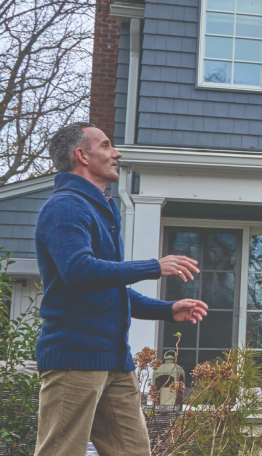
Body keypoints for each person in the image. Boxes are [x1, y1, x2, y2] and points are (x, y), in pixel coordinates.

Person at [34, 123, 208, 456]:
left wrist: (166, 309)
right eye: (107, 145)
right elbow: (79, 271)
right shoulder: (66, 207)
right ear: (82, 155)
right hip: (75, 359)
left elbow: (108, 289)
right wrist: (153, 266)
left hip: (115, 362)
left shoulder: (102, 210)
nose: (117, 153)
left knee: (132, 450)